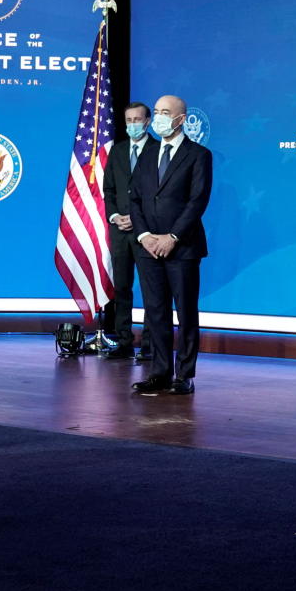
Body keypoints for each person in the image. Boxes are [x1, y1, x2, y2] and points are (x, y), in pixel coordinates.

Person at [128, 95, 212, 396]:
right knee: (156, 311)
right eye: (158, 111)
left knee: (186, 311)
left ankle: (184, 374)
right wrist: (145, 237)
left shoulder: (198, 154)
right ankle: (159, 373)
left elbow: (197, 200)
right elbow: (134, 198)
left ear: (181, 119)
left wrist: (172, 237)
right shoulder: (148, 153)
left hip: (183, 248)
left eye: (166, 112)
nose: (160, 117)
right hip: (148, 248)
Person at [102, 102, 159, 361]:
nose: (132, 124)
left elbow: (159, 194)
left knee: (151, 290)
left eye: (137, 119)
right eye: (129, 120)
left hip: (146, 231)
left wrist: (138, 220)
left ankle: (149, 345)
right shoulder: (118, 151)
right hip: (120, 231)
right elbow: (109, 190)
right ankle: (124, 341)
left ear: (147, 122)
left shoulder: (159, 150)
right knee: (122, 287)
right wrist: (115, 216)